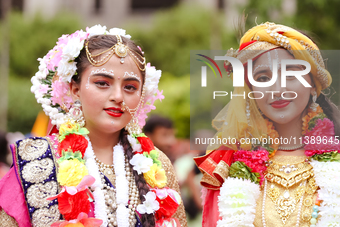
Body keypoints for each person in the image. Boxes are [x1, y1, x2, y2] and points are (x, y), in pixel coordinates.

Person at [0, 25, 187, 227]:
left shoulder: (158, 165)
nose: (117, 96)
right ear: (75, 89)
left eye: (130, 87)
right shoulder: (36, 159)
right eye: (102, 83)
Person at [194, 22, 340, 227]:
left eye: (291, 75)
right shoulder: (227, 164)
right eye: (263, 78)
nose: (277, 88)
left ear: (313, 85)